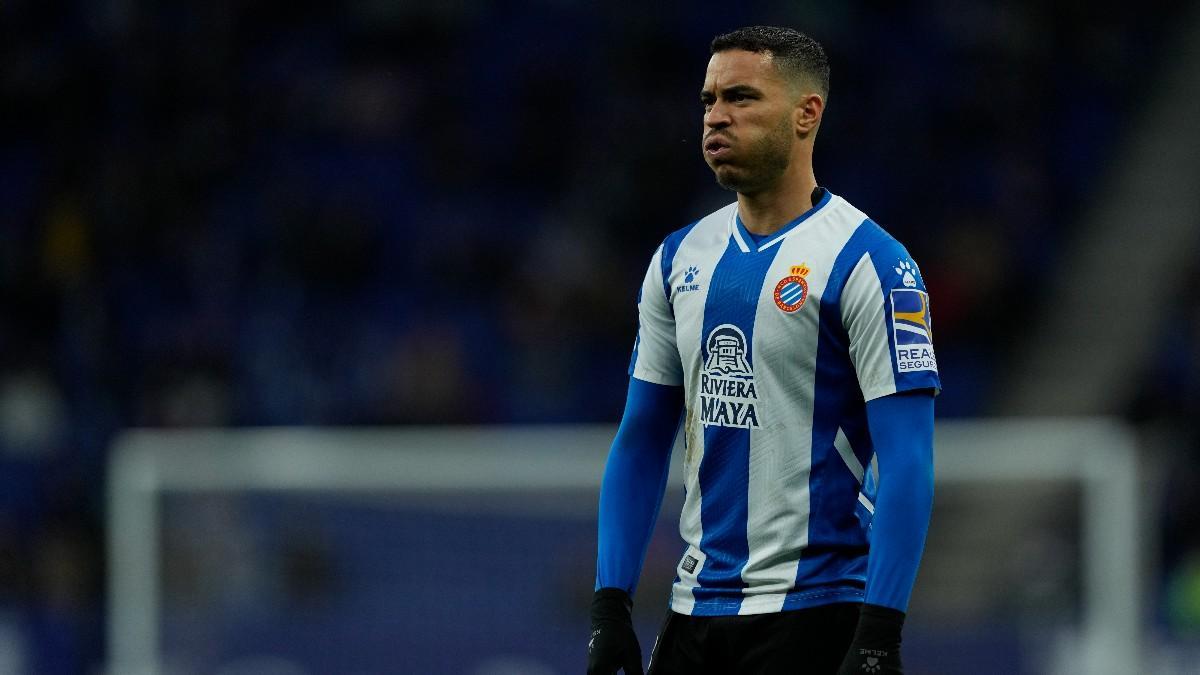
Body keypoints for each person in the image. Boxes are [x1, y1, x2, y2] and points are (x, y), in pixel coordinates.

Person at [587, 26, 940, 675]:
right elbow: (640, 439)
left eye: (742, 97)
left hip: (818, 610)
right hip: (694, 612)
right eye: (708, 99)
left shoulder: (871, 264)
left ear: (807, 113)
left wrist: (880, 630)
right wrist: (611, 605)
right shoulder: (677, 260)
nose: (717, 115)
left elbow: (910, 458)